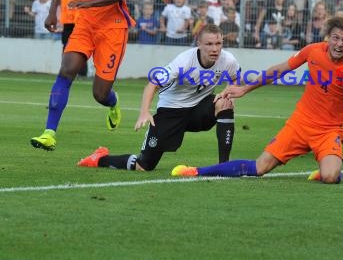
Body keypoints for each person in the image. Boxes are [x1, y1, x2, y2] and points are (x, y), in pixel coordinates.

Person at [170, 17, 343, 183]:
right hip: (300, 124)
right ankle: (196, 171)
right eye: (335, 38)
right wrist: (245, 89)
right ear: (328, 37)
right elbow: (279, 70)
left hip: (329, 131)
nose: (339, 44)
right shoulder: (313, 51)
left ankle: (330, 169)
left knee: (329, 176)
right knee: (259, 167)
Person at [30, 0, 135, 151]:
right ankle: (49, 132)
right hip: (86, 23)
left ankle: (113, 102)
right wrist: (52, 9)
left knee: (99, 93)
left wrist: (88, 2)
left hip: (113, 26)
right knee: (67, 70)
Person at [78, 24, 241, 171]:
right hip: (172, 111)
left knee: (224, 103)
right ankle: (99, 159)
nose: (215, 49)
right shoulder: (183, 62)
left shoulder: (228, 60)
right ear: (199, 43)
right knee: (144, 165)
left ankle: (224, 166)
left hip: (199, 110)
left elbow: (235, 77)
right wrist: (145, 112)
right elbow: (152, 84)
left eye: (218, 44)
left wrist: (228, 93)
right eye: (209, 44)